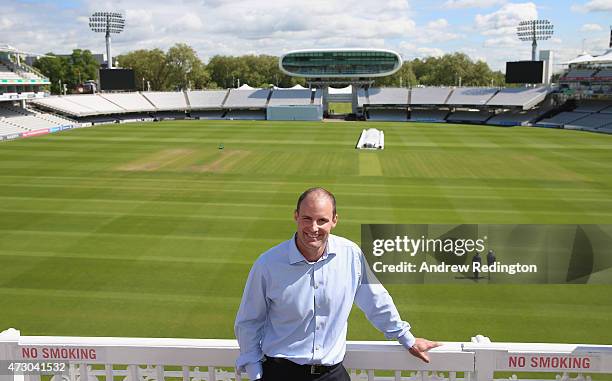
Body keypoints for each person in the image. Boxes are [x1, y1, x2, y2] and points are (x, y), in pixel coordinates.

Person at [235, 187, 440, 381]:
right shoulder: (268, 264)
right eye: (307, 218)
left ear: (334, 220)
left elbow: (376, 300)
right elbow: (249, 320)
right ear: (296, 216)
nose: (313, 228)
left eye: (322, 220)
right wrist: (255, 372)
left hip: (332, 375)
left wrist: (407, 338)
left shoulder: (350, 255)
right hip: (281, 373)